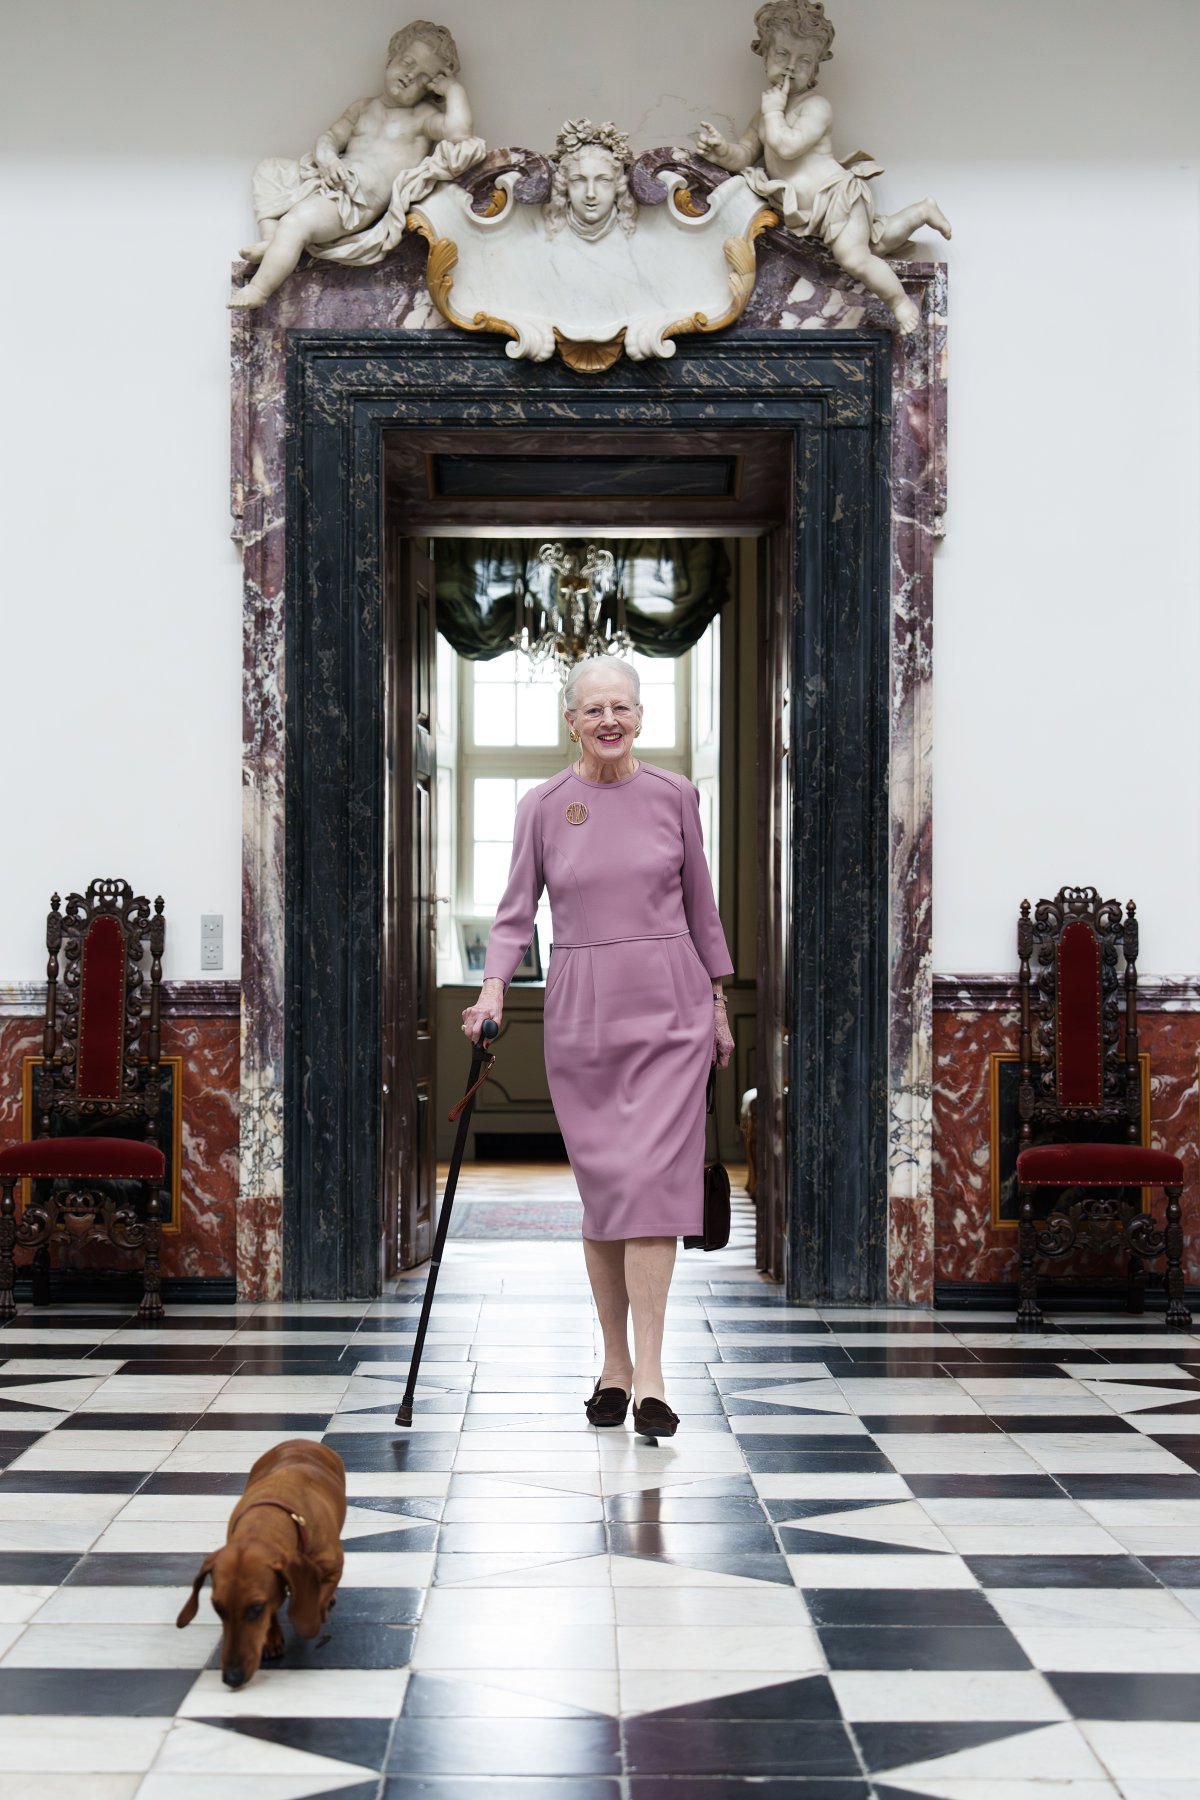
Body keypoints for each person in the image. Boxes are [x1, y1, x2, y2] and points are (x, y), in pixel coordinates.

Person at [461, 656, 735, 1439]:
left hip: (672, 1007)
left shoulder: (675, 795)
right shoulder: (544, 806)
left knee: (654, 1187)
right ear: (571, 722)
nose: (609, 721)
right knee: (609, 1191)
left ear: (641, 717)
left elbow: (702, 908)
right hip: (583, 1013)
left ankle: (650, 1377)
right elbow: (515, 915)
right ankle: (613, 1363)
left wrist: (718, 1002)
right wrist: (492, 991)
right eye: (593, 710)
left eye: (622, 707)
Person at [695, 0, 950, 334]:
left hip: (836, 198)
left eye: (804, 60)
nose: (791, 66)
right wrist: (720, 151)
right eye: (782, 54)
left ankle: (899, 302)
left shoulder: (816, 106)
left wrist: (773, 111)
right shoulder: (765, 116)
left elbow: (788, 147)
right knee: (874, 248)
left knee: (855, 258)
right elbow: (744, 155)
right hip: (813, 212)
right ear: (765, 55)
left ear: (815, 69)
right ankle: (920, 212)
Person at [231, 21, 478, 308]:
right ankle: (271, 241)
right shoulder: (363, 108)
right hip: (328, 179)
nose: (411, 75)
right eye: (408, 62)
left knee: (297, 222)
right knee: (269, 169)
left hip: (354, 202)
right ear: (391, 58)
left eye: (424, 77)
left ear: (431, 88)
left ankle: (259, 289)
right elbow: (330, 138)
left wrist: (453, 89)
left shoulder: (422, 118)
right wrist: (328, 160)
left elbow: (460, 132)